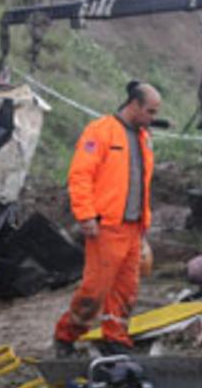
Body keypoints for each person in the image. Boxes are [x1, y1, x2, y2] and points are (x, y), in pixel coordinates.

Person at [54, 80, 161, 357]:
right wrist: (86, 215)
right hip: (106, 228)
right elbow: (80, 176)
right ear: (134, 105)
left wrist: (143, 228)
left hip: (133, 228)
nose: (153, 118)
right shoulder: (100, 132)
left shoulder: (143, 138)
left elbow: (142, 183)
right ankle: (65, 336)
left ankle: (115, 336)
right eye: (150, 111)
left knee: (126, 289)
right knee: (95, 289)